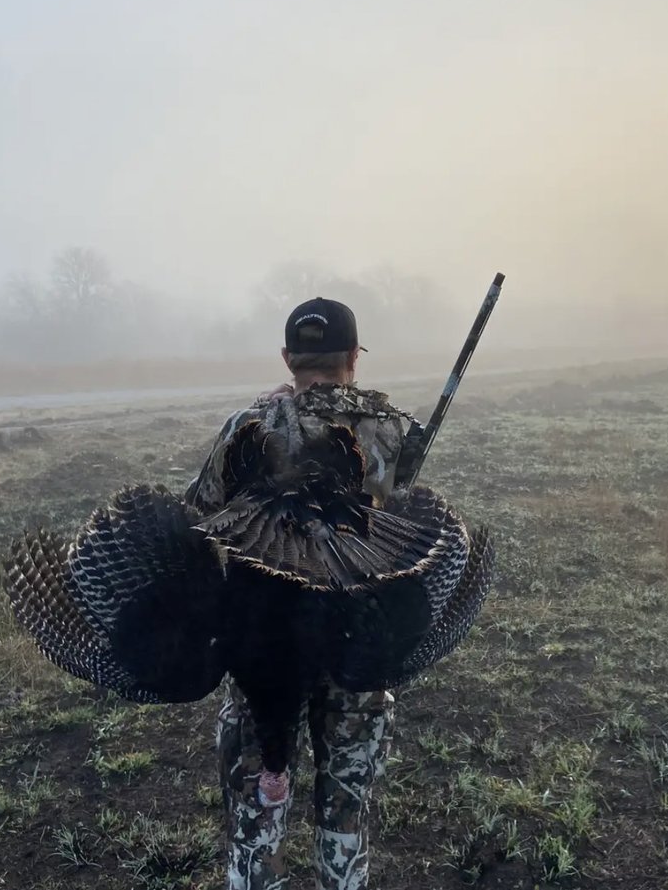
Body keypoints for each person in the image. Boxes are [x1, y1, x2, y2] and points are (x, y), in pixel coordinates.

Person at [185, 296, 422, 890]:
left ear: (289, 358)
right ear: (352, 358)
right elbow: (402, 517)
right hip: (357, 643)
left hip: (264, 649)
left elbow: (197, 511)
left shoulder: (250, 426)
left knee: (254, 810)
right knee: (345, 812)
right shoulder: (393, 429)